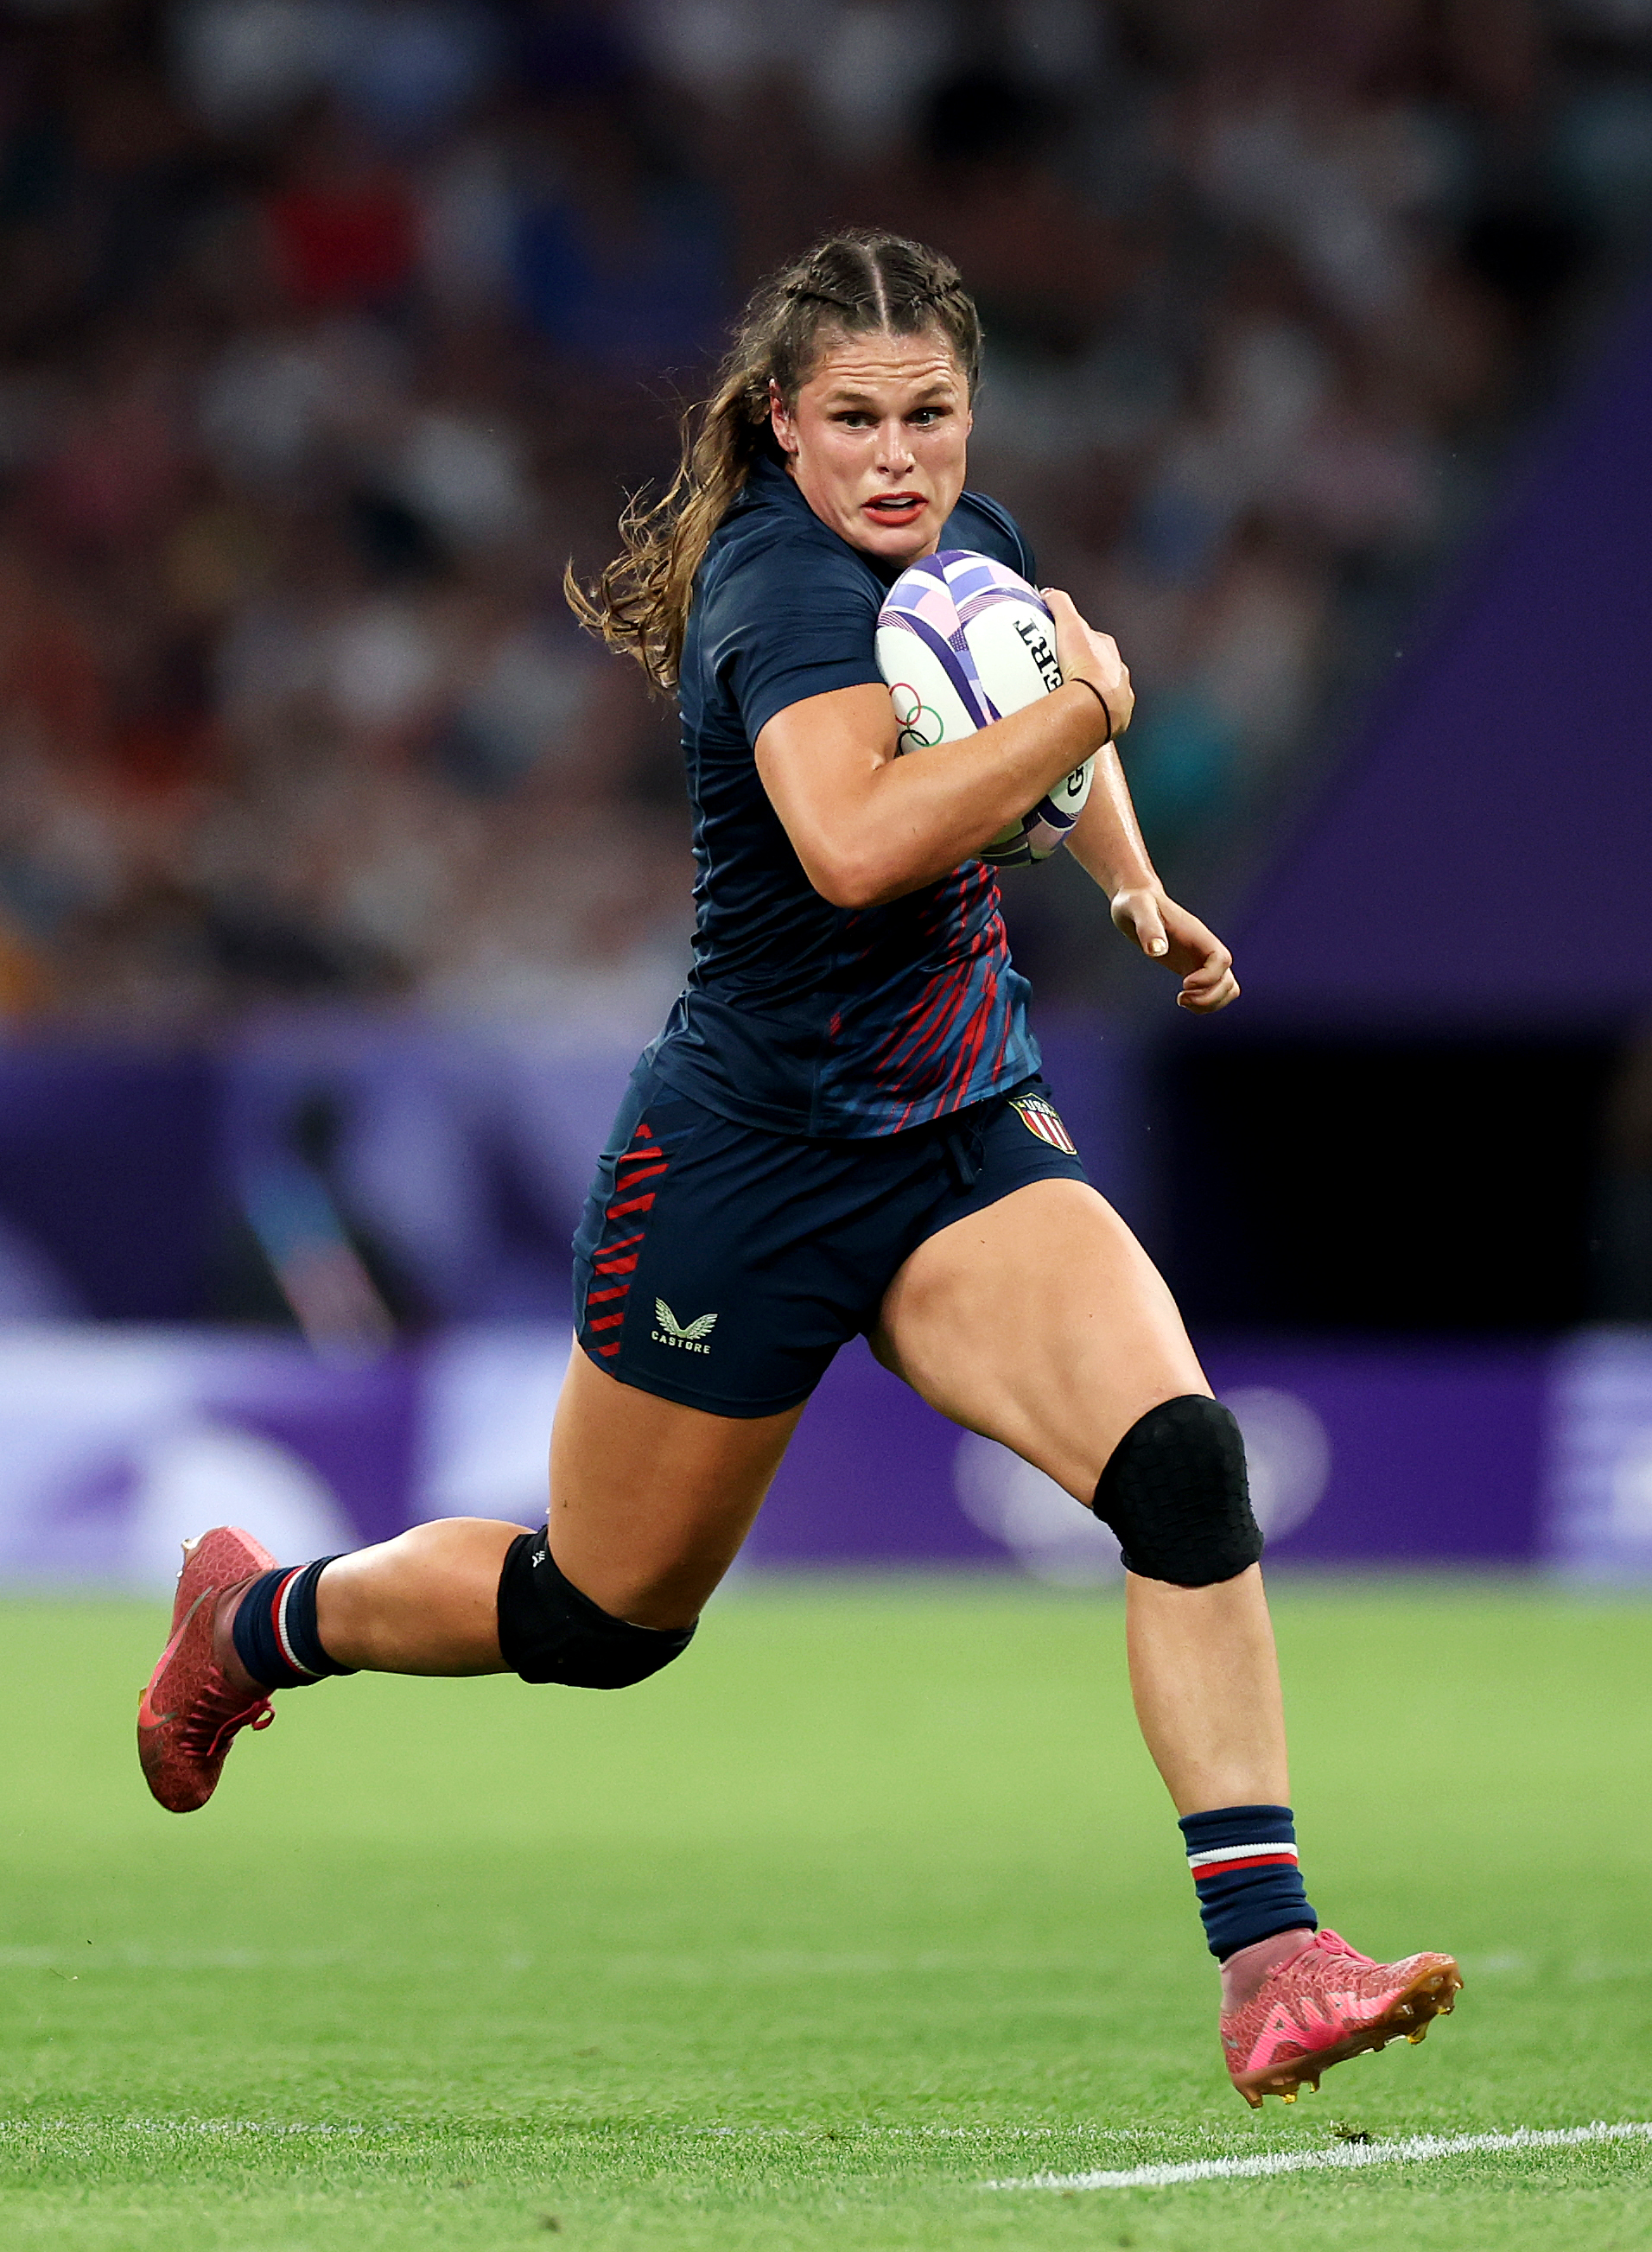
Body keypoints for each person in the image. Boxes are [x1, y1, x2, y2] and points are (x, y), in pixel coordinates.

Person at [137, 230, 1459, 2108]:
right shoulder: (776, 587)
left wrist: (1129, 875)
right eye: (855, 419)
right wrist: (1080, 717)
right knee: (600, 1621)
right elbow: (855, 842)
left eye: (930, 412)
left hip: (953, 1132)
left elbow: (1029, 700)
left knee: (1179, 1462)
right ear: (780, 423)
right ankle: (256, 1618)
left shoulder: (955, 538)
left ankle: (1271, 1957)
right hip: (743, 1168)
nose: (900, 455)